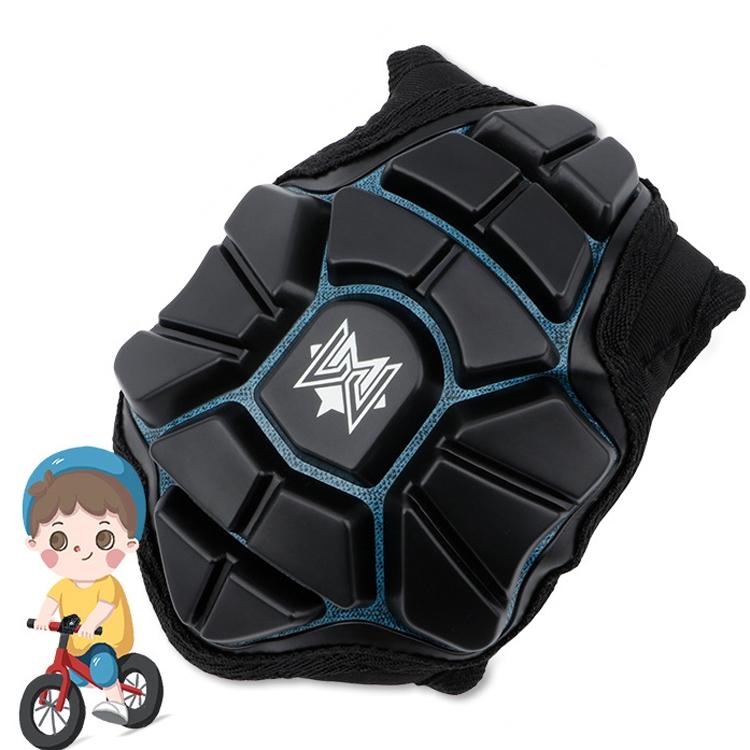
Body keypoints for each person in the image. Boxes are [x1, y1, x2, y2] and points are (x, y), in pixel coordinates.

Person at [23, 447, 146, 726]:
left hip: (106, 639)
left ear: (129, 543)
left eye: (103, 538)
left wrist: (91, 624)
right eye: (59, 540)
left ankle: (117, 703)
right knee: (74, 671)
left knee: (102, 665)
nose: (80, 549)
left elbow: (105, 606)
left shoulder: (107, 584)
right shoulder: (63, 586)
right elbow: (51, 602)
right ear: (34, 543)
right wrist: (43, 618)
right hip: (76, 641)